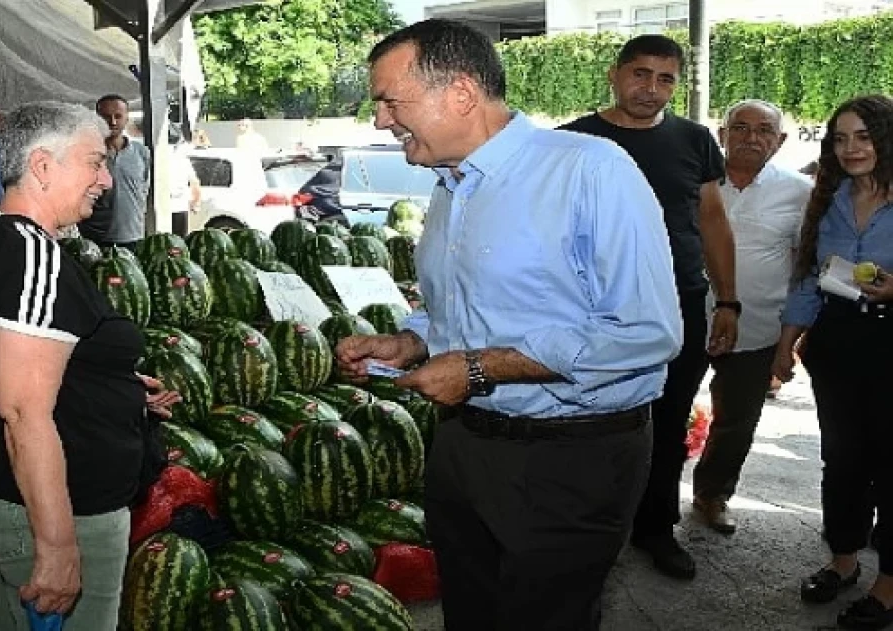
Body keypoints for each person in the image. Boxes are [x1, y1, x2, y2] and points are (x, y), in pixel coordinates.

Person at [336, 19, 682, 630]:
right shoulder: (450, 186)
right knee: (471, 613)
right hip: (464, 447)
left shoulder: (591, 171)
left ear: (461, 94)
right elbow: (462, 309)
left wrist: (478, 368)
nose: (381, 120)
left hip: (571, 459)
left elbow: (646, 331)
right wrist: (412, 341)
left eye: (391, 101)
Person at [0, 101, 178, 630]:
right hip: (52, 507)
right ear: (43, 167)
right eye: (94, 162)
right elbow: (23, 410)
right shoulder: (31, 254)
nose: (106, 180)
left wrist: (109, 385)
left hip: (8, 485)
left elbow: (13, 356)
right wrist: (55, 546)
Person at [559, 34, 739, 580]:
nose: (651, 88)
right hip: (591, 310)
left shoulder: (694, 139)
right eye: (640, 74)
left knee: (667, 421)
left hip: (678, 304)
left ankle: (655, 529)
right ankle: (581, 531)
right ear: (614, 75)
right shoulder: (570, 143)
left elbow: (711, 221)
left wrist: (727, 300)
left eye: (665, 78)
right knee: (588, 419)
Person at [776, 95, 893, 630]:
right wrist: (785, 345)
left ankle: (887, 584)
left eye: (863, 137)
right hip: (839, 343)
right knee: (843, 462)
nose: (850, 149)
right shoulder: (829, 198)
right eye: (840, 138)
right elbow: (807, 276)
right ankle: (842, 561)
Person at [689, 99, 813, 535]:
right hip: (686, 321)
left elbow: (804, 266)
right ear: (721, 135)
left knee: (737, 420)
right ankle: (651, 502)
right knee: (664, 415)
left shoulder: (800, 192)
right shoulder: (694, 182)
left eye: (763, 130)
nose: (751, 137)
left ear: (779, 142)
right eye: (739, 128)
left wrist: (792, 339)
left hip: (758, 326)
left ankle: (712, 494)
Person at [80, 95, 150, 251]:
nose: (112, 122)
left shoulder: (141, 153)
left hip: (134, 238)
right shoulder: (88, 153)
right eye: (106, 117)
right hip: (96, 240)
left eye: (118, 116)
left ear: (126, 118)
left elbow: (144, 191)